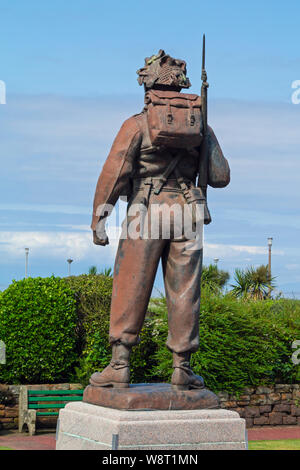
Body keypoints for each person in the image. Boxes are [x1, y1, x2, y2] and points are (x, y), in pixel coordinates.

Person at [90, 50, 230, 390]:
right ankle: (182, 367)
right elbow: (221, 176)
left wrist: (99, 218)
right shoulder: (200, 125)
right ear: (181, 87)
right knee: (185, 292)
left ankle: (120, 364)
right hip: (186, 213)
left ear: (148, 84)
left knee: (131, 284)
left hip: (145, 210)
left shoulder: (137, 124)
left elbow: (115, 172)